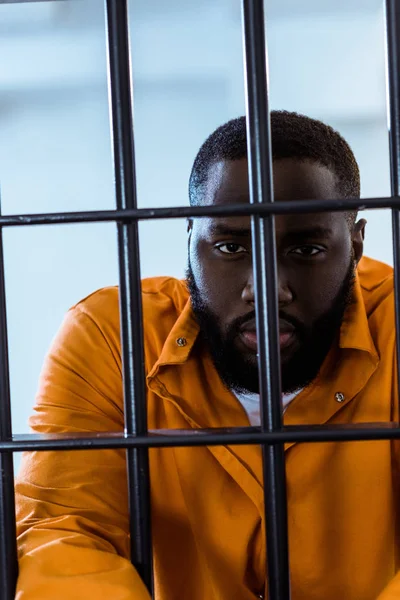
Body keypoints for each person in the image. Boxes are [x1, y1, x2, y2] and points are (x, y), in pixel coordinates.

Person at [15, 111, 399, 600]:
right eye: (230, 246)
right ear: (190, 238)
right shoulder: (112, 337)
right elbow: (60, 530)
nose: (267, 290)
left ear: (357, 244)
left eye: (306, 250)